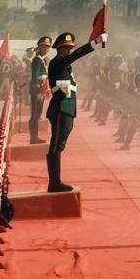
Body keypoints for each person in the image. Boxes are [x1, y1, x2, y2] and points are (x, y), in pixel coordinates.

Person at [45, 31, 100, 193]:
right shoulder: (57, 62)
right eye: (65, 48)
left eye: (69, 48)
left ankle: (56, 181)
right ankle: (54, 182)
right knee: (56, 145)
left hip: (67, 107)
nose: (68, 50)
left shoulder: (65, 66)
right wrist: (94, 43)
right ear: (58, 48)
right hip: (60, 107)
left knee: (60, 144)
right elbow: (75, 55)